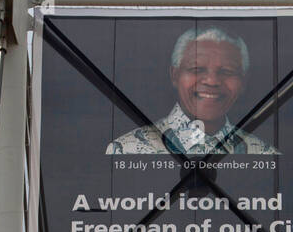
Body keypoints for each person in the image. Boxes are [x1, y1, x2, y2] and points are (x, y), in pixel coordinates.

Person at [106, 27, 278, 156]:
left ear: (243, 82)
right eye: (197, 69)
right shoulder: (125, 150)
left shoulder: (266, 156)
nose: (211, 81)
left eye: (227, 71)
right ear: (175, 75)